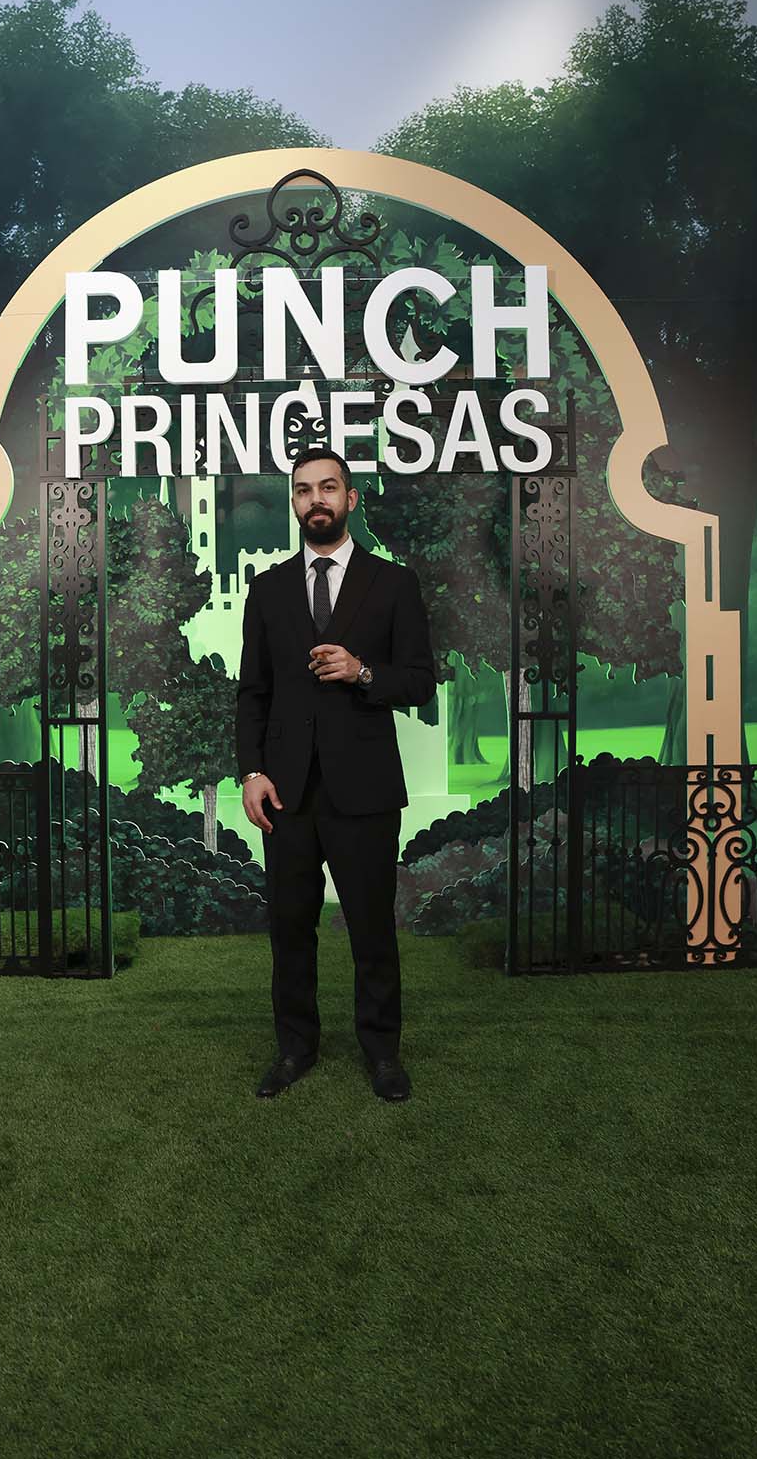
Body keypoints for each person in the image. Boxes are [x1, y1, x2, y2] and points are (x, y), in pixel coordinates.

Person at [235, 449, 437, 1102]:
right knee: (290, 931)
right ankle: (295, 1049)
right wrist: (251, 772)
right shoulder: (268, 589)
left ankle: (383, 1054)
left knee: (372, 931)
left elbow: (420, 681)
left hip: (366, 789)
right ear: (294, 502)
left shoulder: (393, 584)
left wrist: (362, 672)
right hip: (286, 793)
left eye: (328, 487)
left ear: (350, 498)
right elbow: (253, 693)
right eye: (303, 490)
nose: (315, 499)